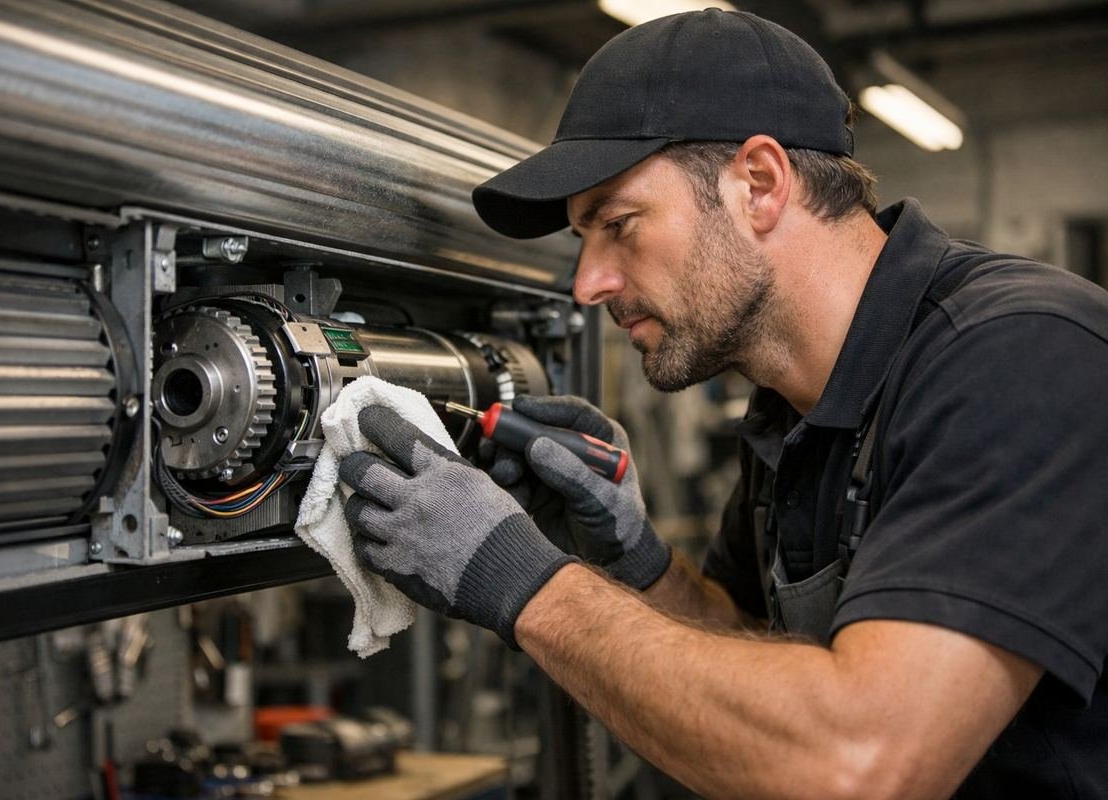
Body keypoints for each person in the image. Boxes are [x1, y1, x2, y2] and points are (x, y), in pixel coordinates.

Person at [339, 10, 1108, 799]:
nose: (589, 284)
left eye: (619, 224)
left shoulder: (1019, 358)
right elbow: (754, 656)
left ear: (759, 184)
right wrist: (636, 563)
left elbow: (861, 764)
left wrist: (525, 581)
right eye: (583, 240)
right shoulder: (787, 408)